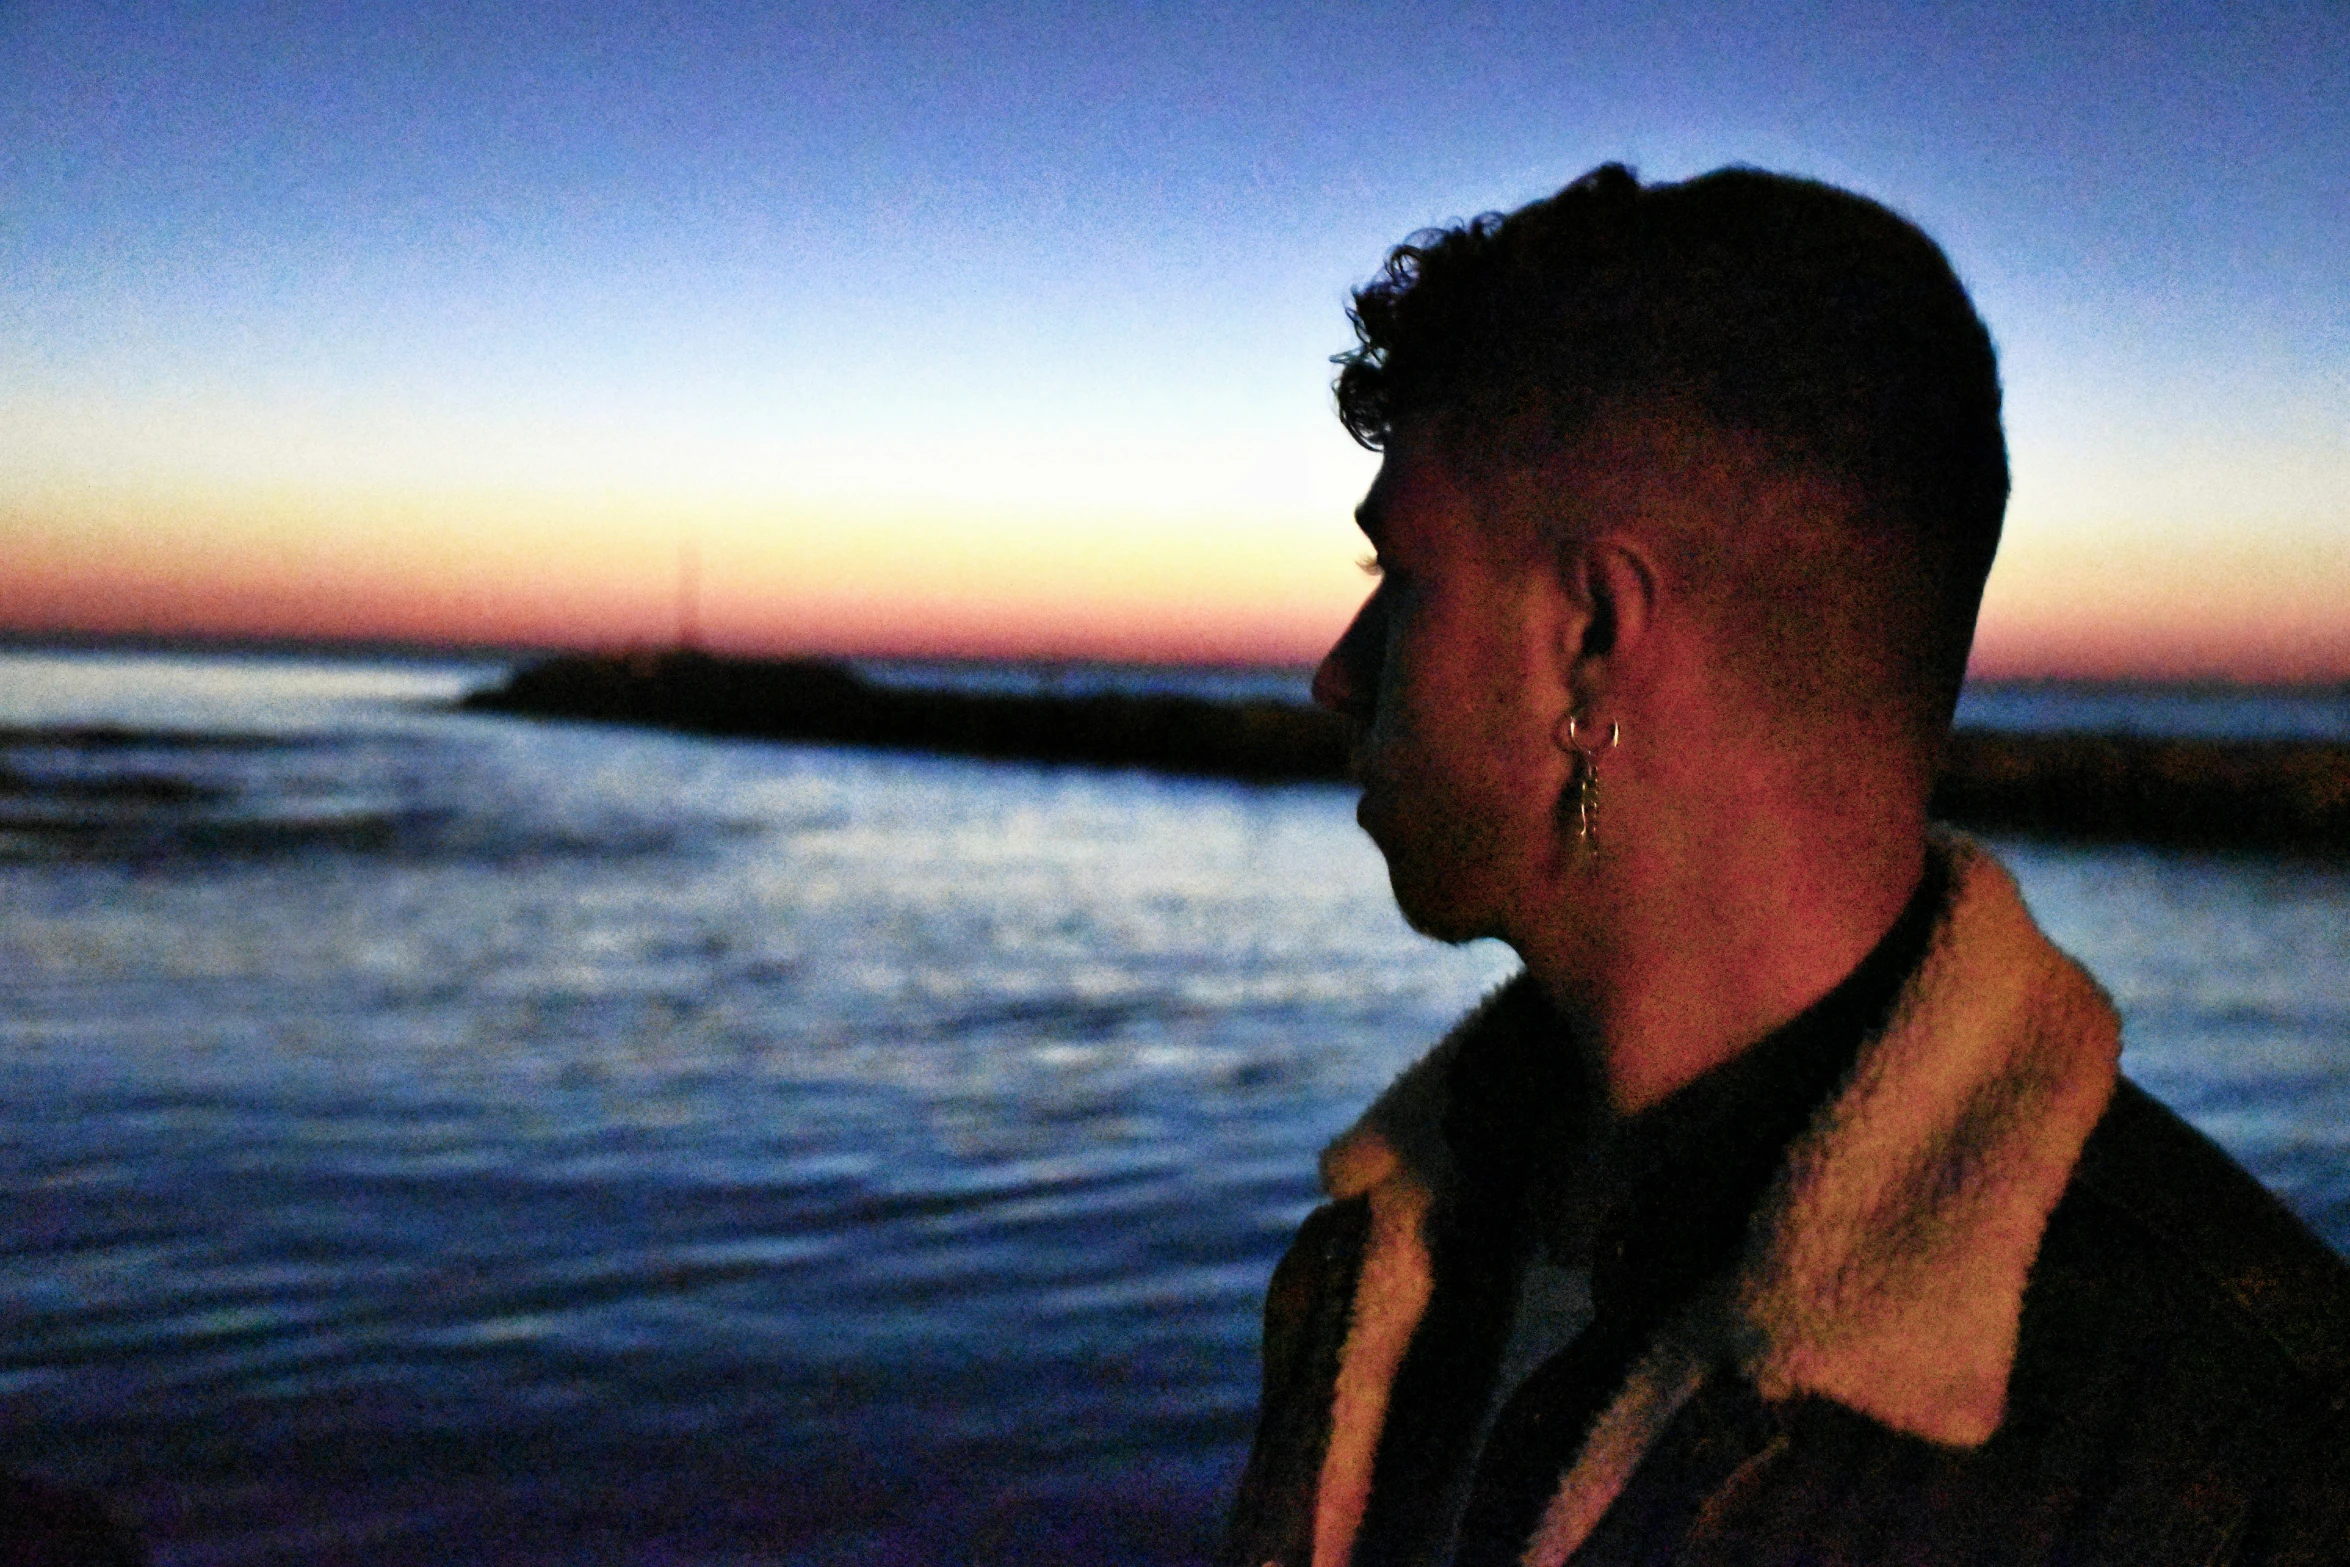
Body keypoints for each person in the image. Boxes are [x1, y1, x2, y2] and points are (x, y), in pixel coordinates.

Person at [1219, 164, 2350, 1567]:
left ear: (1590, 640)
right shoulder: (1382, 1252)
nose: (1338, 673)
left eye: (1398, 577)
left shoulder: (2242, 1459)